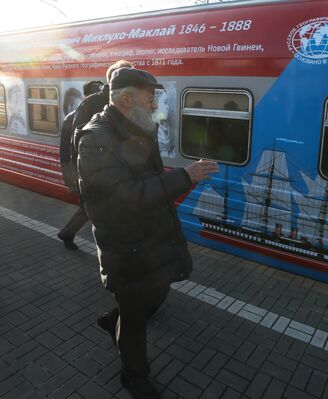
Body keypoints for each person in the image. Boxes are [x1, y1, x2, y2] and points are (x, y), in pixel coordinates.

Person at [75, 67, 219, 399]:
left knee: (154, 296)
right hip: (125, 245)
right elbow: (124, 196)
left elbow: (145, 180)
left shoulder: (138, 126)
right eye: (149, 96)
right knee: (136, 315)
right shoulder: (96, 138)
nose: (155, 103)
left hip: (151, 237)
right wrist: (185, 177)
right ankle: (133, 376)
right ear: (127, 99)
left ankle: (116, 320)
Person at [57, 81, 102, 250]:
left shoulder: (95, 118)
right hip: (80, 174)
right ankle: (67, 233)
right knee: (88, 208)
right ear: (86, 97)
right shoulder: (72, 119)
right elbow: (65, 153)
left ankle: (67, 233)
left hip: (90, 173)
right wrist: (70, 179)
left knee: (88, 208)